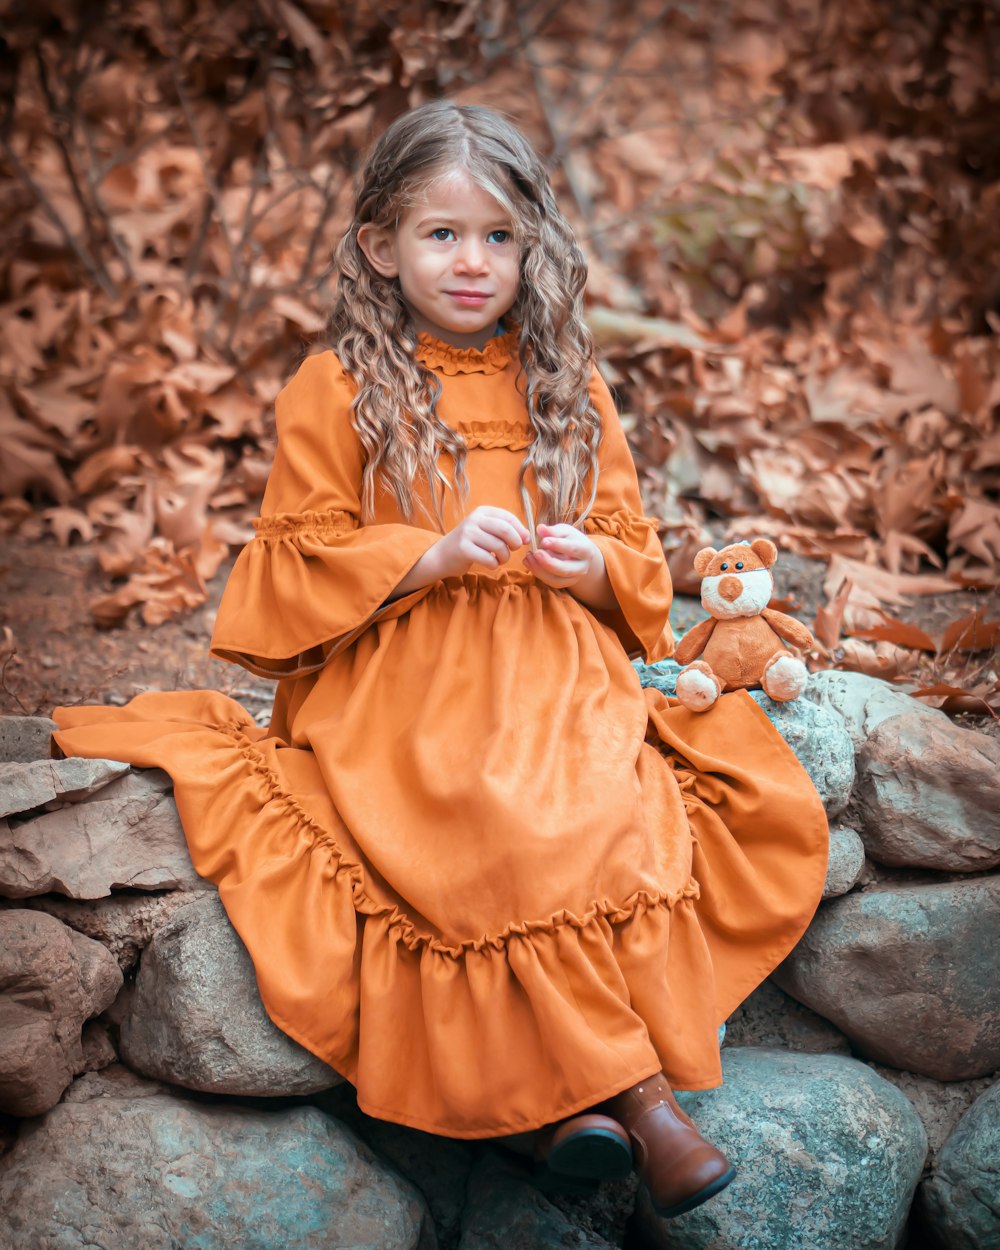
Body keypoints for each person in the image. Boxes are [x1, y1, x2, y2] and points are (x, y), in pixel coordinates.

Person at [53, 100, 828, 1220]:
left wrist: (586, 566)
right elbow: (295, 560)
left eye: (499, 236)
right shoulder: (338, 385)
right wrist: (426, 552)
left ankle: (577, 1112)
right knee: (478, 809)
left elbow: (637, 561)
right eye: (441, 234)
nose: (473, 262)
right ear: (380, 245)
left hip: (553, 658)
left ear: (532, 247)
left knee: (600, 800)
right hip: (399, 668)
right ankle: (645, 1104)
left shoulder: (568, 382)